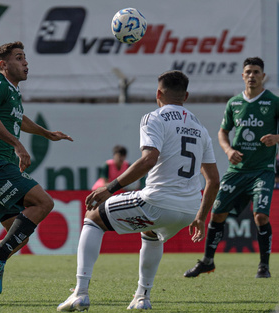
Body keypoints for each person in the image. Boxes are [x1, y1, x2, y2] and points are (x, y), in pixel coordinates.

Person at [57, 70, 219, 311]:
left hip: (158, 200)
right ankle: (142, 297)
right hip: (188, 209)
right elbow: (214, 180)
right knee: (151, 233)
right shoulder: (201, 129)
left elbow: (148, 160)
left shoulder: (154, 118)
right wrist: (200, 217)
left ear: (158, 94)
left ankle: (80, 293)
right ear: (186, 95)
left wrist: (109, 189)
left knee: (93, 218)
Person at [0, 41, 73, 301]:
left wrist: (45, 133)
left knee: (16, 239)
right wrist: (19, 145)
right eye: (19, 58)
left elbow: (18, 118)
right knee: (43, 202)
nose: (25, 62)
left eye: (25, 58)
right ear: (3, 65)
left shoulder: (12, 91)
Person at [184, 57, 279, 279]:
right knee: (216, 214)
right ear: (243, 75)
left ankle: (263, 266)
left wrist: (276, 138)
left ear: (263, 76)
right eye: (248, 71)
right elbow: (222, 131)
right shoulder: (234, 103)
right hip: (237, 172)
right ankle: (207, 261)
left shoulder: (273, 102)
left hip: (263, 171)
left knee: (260, 217)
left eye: (256, 72)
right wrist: (227, 150)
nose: (252, 75)